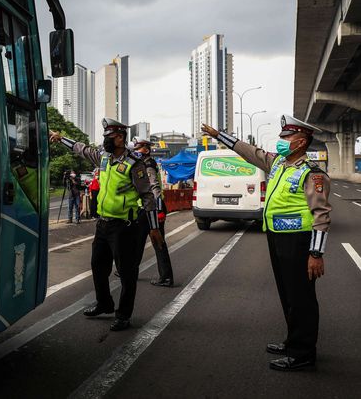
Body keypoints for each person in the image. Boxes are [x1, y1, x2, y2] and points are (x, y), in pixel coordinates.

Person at [202, 115, 331, 372]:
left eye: (286, 138)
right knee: (287, 294)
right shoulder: (279, 165)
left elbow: (322, 216)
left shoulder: (312, 174)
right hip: (277, 237)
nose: (281, 141)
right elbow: (250, 152)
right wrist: (219, 135)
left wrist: (316, 253)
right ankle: (293, 341)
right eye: (281, 137)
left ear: (302, 142)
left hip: (299, 242)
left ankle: (303, 353)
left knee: (301, 298)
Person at [50, 118, 162, 331]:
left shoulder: (134, 163)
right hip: (103, 224)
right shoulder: (104, 158)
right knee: (97, 266)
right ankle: (104, 303)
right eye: (104, 137)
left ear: (120, 138)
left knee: (127, 273)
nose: (105, 141)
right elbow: (81, 149)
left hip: (124, 227)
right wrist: (60, 138)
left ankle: (123, 315)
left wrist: (154, 227)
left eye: (109, 137)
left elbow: (148, 197)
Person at [132, 138, 174, 287]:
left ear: (146, 150)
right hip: (144, 209)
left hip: (151, 209)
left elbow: (154, 188)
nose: (136, 150)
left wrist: (159, 210)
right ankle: (131, 271)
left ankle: (166, 277)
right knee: (137, 242)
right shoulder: (141, 164)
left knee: (158, 242)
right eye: (135, 148)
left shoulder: (148, 164)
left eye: (138, 148)